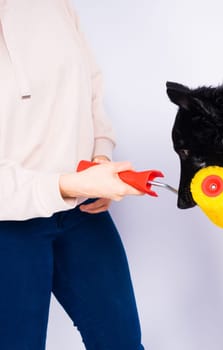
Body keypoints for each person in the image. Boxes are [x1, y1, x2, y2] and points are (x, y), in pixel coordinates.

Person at [0, 0, 146, 349]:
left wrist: (99, 157)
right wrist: (71, 183)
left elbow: (90, 86)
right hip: (8, 230)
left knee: (123, 343)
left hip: (83, 212)